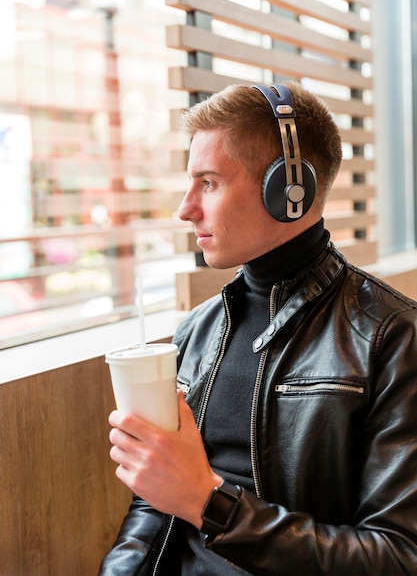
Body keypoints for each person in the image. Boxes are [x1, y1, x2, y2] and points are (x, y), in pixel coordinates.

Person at [98, 82, 417, 575]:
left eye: (209, 183)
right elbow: (155, 502)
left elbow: (399, 557)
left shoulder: (391, 338)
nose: (185, 209)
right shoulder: (197, 333)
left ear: (289, 191)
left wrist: (210, 503)